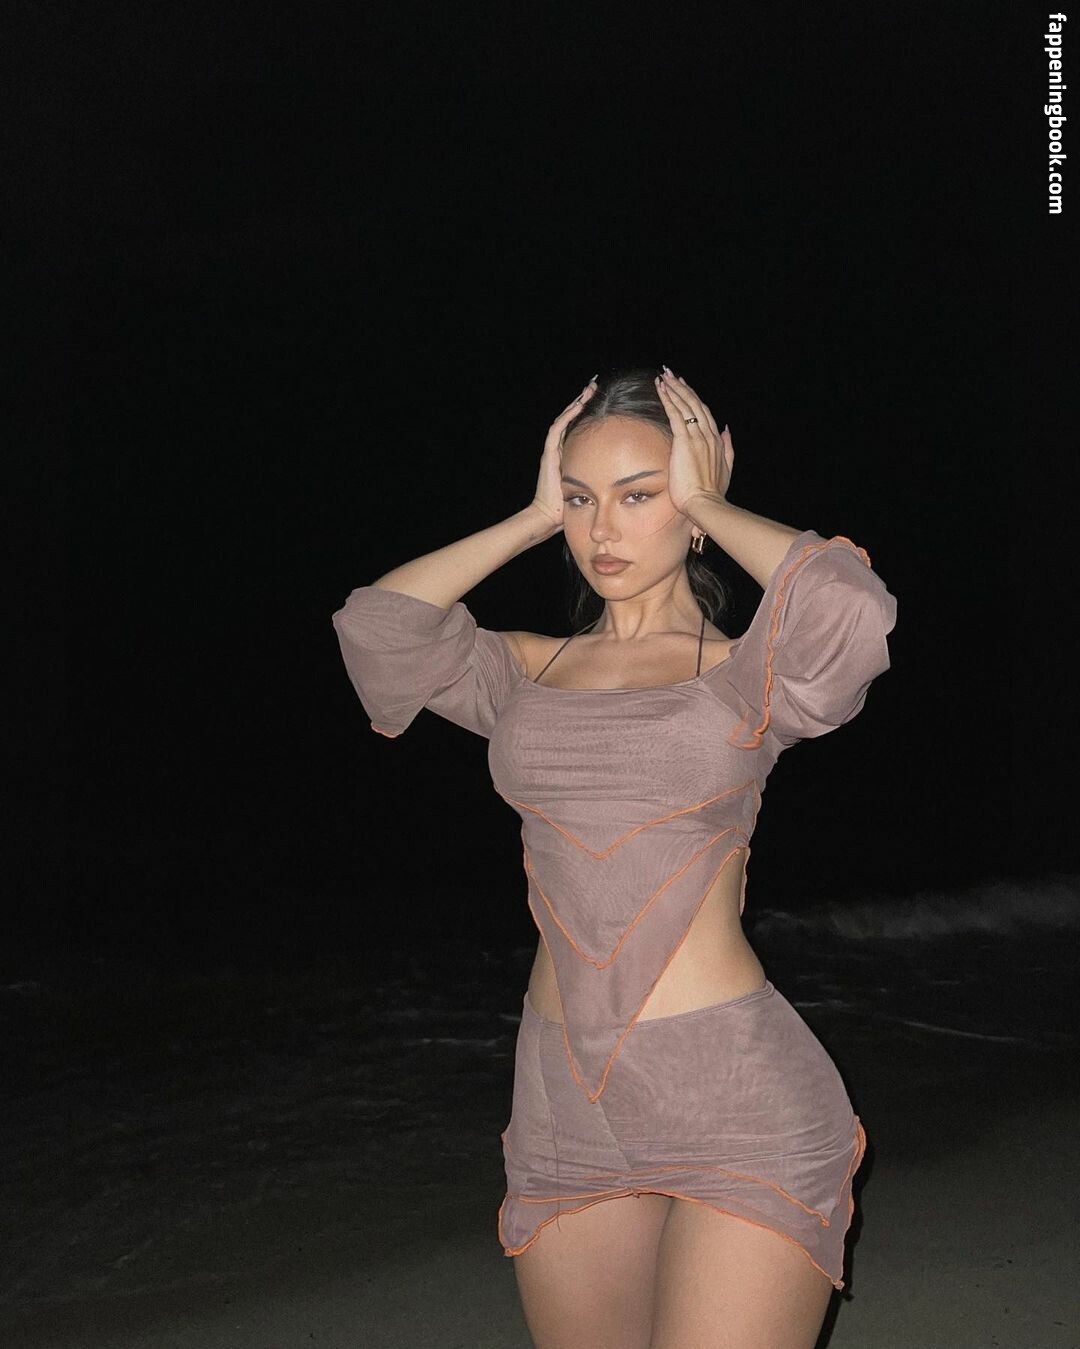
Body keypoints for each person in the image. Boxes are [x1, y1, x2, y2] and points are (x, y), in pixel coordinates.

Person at [331, 366, 897, 1349]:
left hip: (731, 1090)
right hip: (563, 1100)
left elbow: (850, 606)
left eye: (639, 496)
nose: (603, 529)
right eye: (582, 499)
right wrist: (528, 518)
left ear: (689, 504)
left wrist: (711, 502)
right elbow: (377, 629)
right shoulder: (523, 670)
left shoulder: (745, 673)